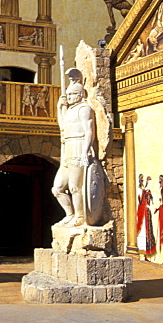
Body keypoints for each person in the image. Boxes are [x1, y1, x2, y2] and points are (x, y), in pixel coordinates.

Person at [51, 70, 95, 227]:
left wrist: (85, 151)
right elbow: (62, 127)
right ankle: (69, 214)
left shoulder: (85, 109)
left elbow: (89, 131)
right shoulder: (69, 110)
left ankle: (80, 216)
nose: (68, 97)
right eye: (67, 94)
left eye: (71, 95)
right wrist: (59, 108)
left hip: (78, 146)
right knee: (57, 188)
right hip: (67, 148)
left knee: (75, 187)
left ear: (80, 95)